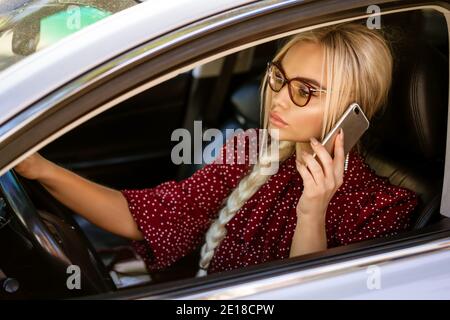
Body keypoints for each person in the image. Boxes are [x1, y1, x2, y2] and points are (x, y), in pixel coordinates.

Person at [13, 22, 418, 278]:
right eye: (279, 77)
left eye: (304, 91)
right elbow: (150, 216)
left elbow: (305, 290)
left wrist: (312, 209)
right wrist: (41, 169)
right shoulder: (250, 150)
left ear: (353, 110)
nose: (277, 98)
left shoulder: (382, 208)